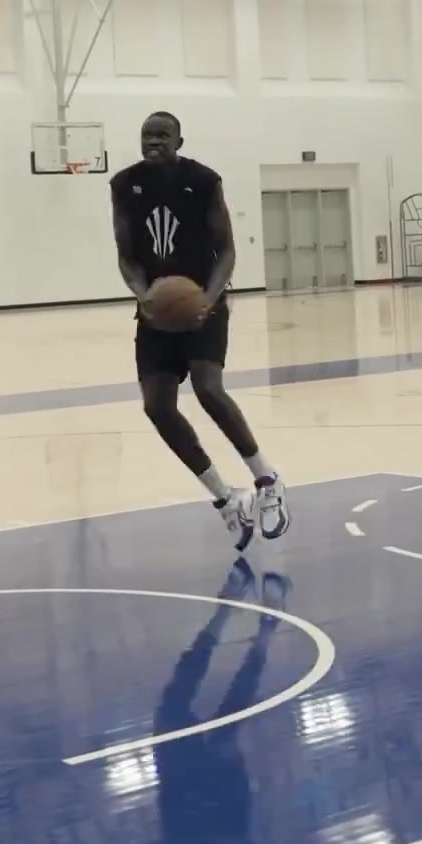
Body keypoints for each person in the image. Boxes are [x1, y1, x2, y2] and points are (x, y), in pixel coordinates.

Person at [110, 112, 289, 550]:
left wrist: (209, 298)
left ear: (179, 141)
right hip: (156, 311)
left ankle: (267, 480)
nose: (153, 142)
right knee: (157, 407)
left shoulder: (204, 181)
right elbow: (126, 254)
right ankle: (226, 499)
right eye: (147, 135)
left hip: (204, 303)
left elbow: (226, 249)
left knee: (209, 388)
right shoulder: (124, 185)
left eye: (162, 135)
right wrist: (143, 295)